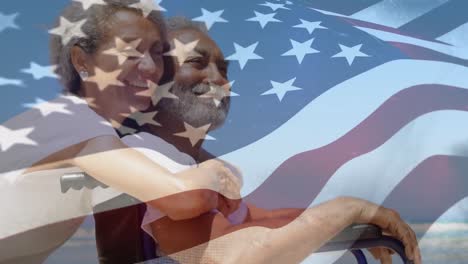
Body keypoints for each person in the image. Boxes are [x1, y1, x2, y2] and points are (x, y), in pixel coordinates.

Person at [98, 17, 421, 264]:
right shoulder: (146, 154)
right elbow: (228, 256)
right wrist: (347, 210)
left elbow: (261, 221)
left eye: (223, 69)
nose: (219, 79)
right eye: (197, 63)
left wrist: (356, 221)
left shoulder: (203, 164)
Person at [0, 2, 239, 263]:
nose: (149, 67)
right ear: (82, 60)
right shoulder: (76, 123)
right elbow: (184, 199)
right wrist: (214, 171)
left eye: (157, 54)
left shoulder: (79, 125)